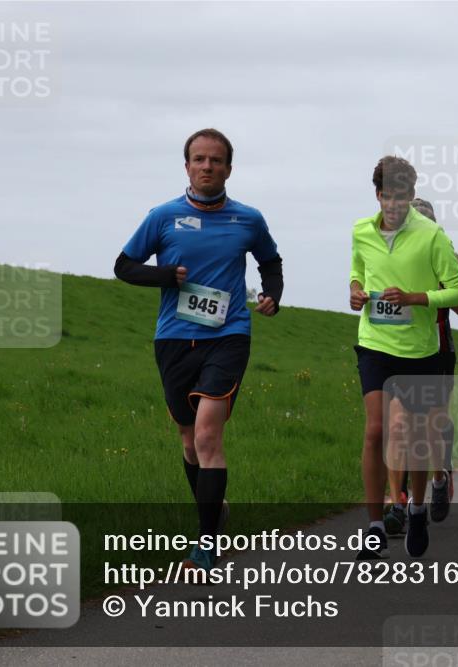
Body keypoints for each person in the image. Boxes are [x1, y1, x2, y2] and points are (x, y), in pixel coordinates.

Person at [114, 128, 284, 573]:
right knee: (189, 441)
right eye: (199, 159)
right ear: (187, 166)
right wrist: (165, 275)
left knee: (208, 435)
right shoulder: (163, 216)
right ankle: (214, 511)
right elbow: (124, 266)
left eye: (216, 160)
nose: (207, 166)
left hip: (228, 335)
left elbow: (270, 261)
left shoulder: (248, 219)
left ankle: (206, 546)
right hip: (174, 338)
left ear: (229, 168)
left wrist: (272, 293)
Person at [349, 157, 458, 558]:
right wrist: (355, 291)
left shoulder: (432, 236)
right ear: (377, 194)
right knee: (376, 431)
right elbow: (358, 270)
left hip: (420, 350)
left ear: (412, 194)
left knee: (417, 435)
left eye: (401, 196)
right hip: (374, 343)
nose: (394, 204)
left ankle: (417, 509)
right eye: (387, 196)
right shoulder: (361, 231)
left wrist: (415, 298)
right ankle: (375, 526)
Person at [383, 198, 458, 536]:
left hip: (436, 351)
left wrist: (440, 293)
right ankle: (398, 504)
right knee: (398, 425)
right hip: (394, 350)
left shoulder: (449, 258)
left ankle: (439, 478)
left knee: (430, 426)